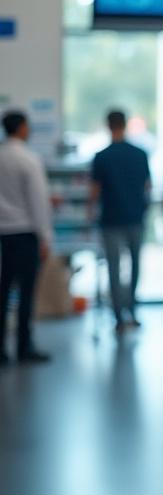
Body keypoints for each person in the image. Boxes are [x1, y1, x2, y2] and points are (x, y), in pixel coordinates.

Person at [0, 110, 53, 364]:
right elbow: (38, 202)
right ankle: (24, 346)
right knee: (26, 293)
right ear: (21, 128)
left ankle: (1, 349)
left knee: (3, 291)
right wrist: (45, 236)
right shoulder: (29, 159)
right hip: (24, 233)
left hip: (3, 234)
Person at [90, 109, 151, 331]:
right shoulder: (140, 154)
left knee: (114, 268)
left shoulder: (102, 157)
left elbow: (94, 192)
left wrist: (90, 215)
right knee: (135, 265)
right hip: (135, 216)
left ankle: (118, 316)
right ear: (124, 125)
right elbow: (148, 186)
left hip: (111, 219)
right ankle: (132, 309)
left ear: (108, 126)